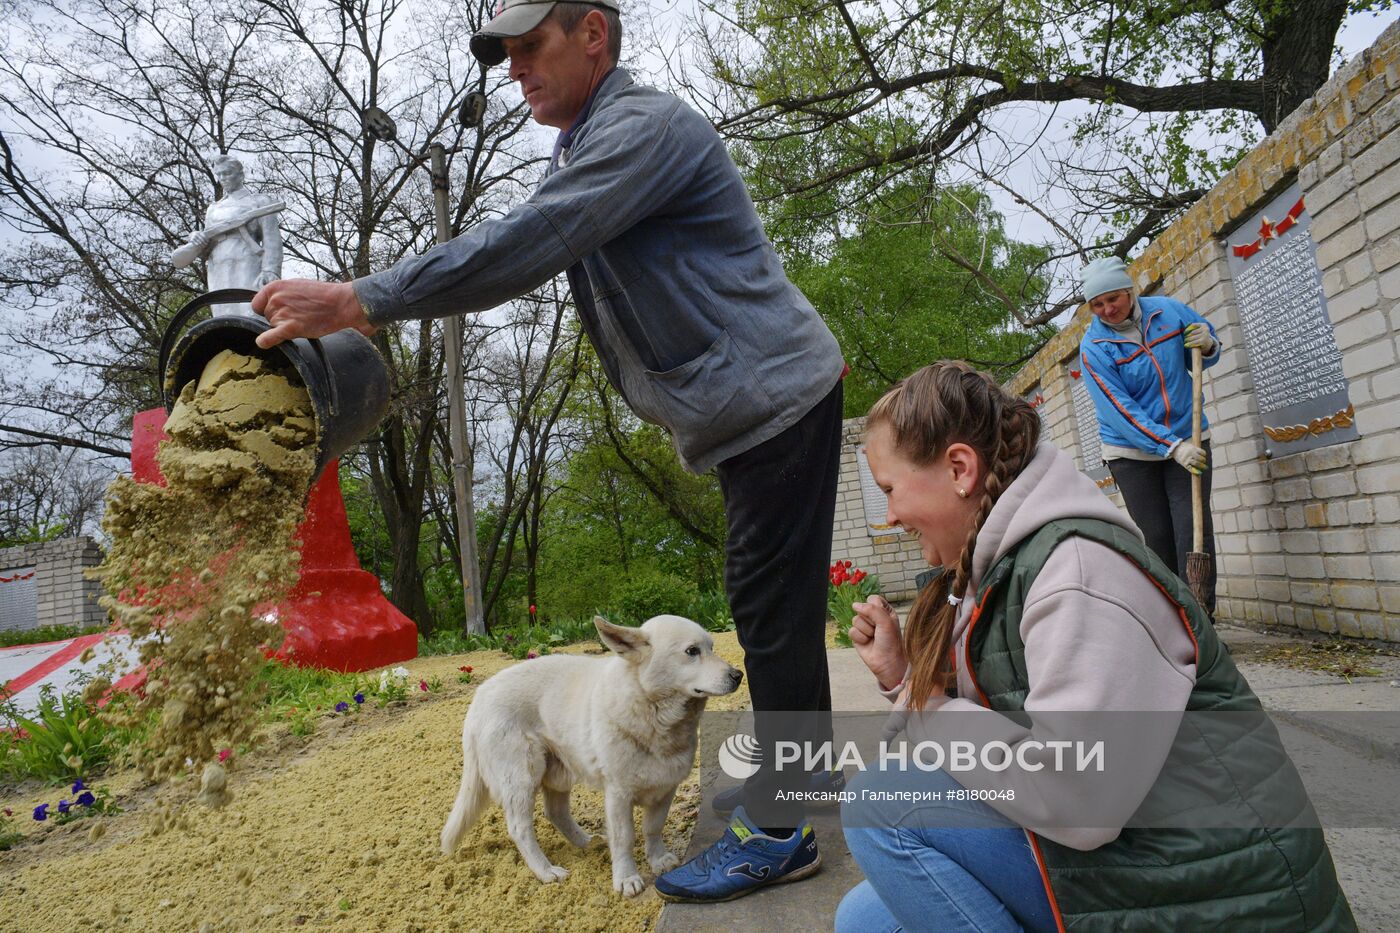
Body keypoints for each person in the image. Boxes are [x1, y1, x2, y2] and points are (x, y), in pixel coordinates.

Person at [250, 0, 845, 902]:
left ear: (593, 34)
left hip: (774, 397)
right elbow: (529, 245)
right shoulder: (587, 145)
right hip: (752, 405)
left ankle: (784, 826)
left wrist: (360, 299)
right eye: (505, 54)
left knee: (770, 611)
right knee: (774, 605)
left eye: (533, 46)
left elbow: (524, 244)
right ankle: (802, 787)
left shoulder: (640, 131)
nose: (516, 68)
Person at [838, 361, 1354, 932]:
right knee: (865, 918)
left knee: (882, 805)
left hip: (1213, 891)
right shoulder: (1002, 565)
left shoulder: (1076, 571)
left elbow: (1079, 797)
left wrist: (929, 711)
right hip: (1133, 856)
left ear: (960, 468)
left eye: (890, 489)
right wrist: (903, 677)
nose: (887, 517)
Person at [1076, 255, 1219, 614]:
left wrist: (1209, 344)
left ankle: (1203, 622)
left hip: (1190, 439)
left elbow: (1202, 351)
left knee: (1193, 532)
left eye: (1113, 299)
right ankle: (1173, 623)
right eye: (1097, 304)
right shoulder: (1094, 348)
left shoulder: (1168, 313)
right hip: (1133, 454)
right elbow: (1120, 411)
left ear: (1129, 290)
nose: (1107, 309)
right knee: (1156, 539)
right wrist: (1169, 446)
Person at [172, 154, 283, 317]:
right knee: (223, 315)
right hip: (218, 264)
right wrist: (196, 237)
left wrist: (270, 270)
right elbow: (206, 245)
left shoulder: (260, 202)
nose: (223, 178)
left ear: (241, 175)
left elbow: (272, 240)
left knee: (252, 314)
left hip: (248, 261)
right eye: (219, 174)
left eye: (227, 173)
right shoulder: (214, 209)